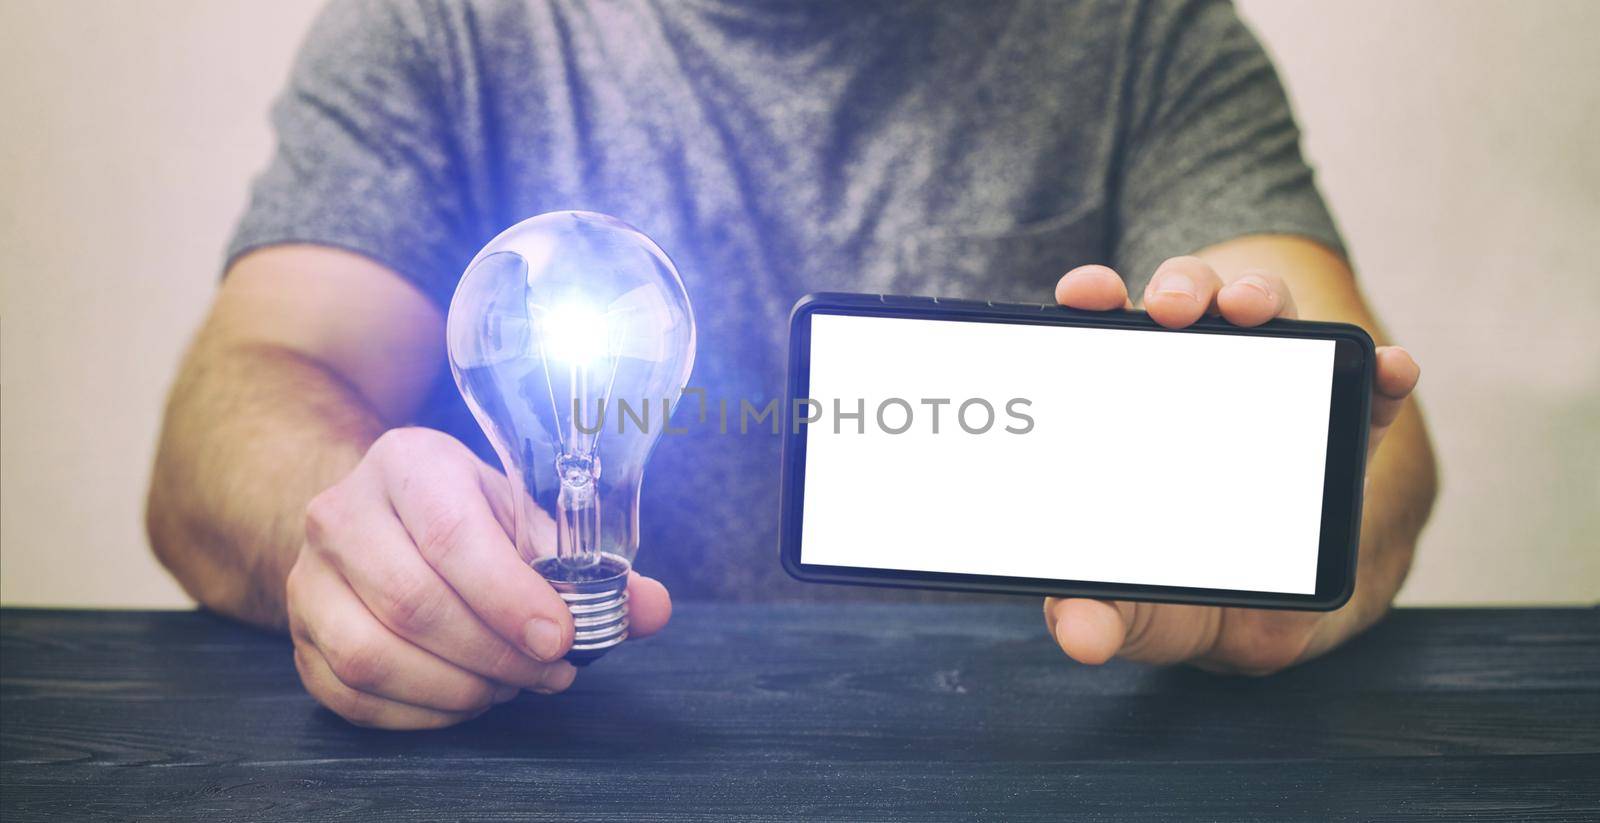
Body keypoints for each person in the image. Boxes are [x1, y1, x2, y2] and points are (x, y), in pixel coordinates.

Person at [147, 0, 1436, 729]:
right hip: (548, 751)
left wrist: (1279, 570)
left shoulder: (1142, 36)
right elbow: (252, 386)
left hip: (1013, 761)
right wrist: (363, 546)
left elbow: (1368, 434)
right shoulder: (444, 30)